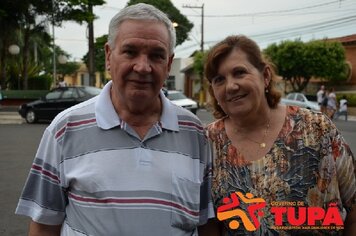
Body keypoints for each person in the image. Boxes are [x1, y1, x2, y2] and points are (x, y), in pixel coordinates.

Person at [15, 3, 213, 235]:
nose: (142, 67)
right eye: (130, 52)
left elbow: (206, 224)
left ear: (168, 64)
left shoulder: (194, 133)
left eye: (156, 55)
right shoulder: (64, 129)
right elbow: (44, 225)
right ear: (109, 57)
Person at [199, 35, 356, 235]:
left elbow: (353, 213)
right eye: (219, 79)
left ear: (265, 76)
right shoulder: (207, 142)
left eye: (239, 73)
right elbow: (208, 225)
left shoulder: (316, 128)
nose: (230, 86)